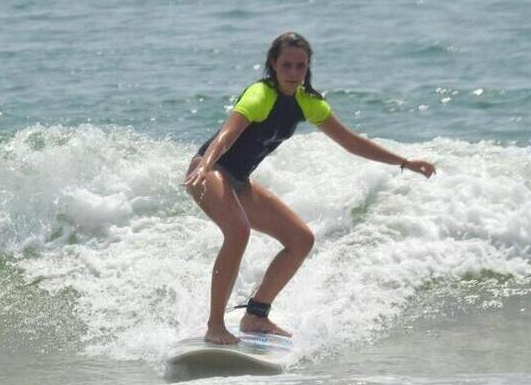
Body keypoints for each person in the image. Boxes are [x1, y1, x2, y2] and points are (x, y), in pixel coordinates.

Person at [184, 32, 435, 345]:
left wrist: (404, 162)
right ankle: (215, 326)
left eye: (300, 66)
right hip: (208, 170)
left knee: (300, 239)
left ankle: (256, 315)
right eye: (286, 65)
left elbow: (351, 142)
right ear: (273, 65)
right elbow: (226, 135)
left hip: (238, 179)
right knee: (239, 232)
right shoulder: (260, 94)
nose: (293, 73)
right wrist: (207, 164)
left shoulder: (307, 102)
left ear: (308, 67)